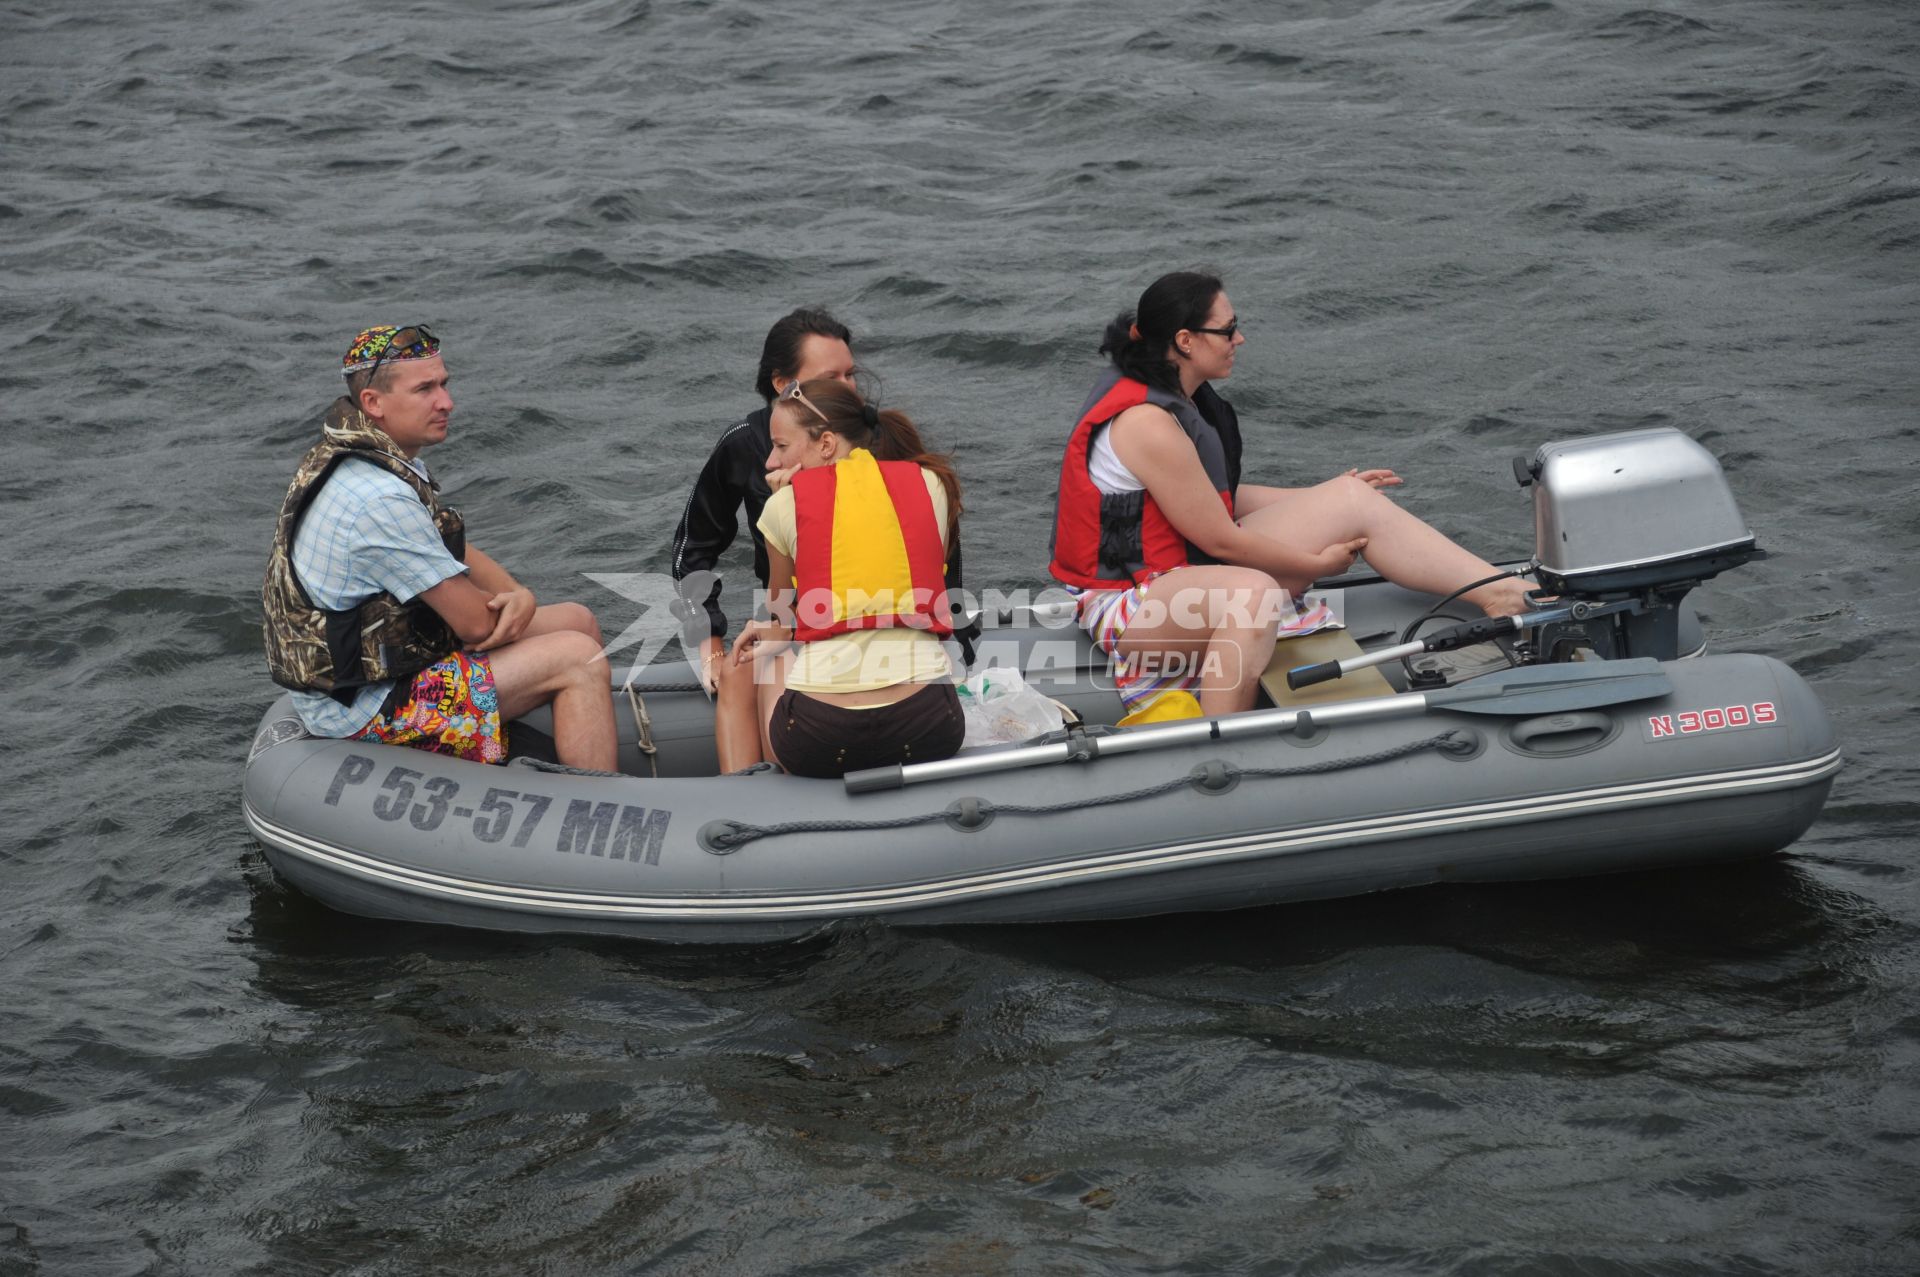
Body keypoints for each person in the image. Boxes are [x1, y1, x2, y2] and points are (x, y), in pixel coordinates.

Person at [1049, 271, 1535, 716]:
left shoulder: (1174, 395)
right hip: (1128, 604)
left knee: (1350, 498)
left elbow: (1209, 501)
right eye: (1228, 329)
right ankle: (1214, 745)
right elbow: (1222, 541)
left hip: (1178, 568)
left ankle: (1504, 595)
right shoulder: (1148, 423)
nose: (1239, 338)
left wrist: (1323, 494)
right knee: (1254, 595)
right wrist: (1318, 567)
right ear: (1185, 340)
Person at [262, 324, 618, 770]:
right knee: (578, 656)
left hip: (376, 672)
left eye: (444, 384)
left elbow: (446, 546)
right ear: (374, 403)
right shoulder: (380, 498)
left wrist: (519, 594)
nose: (446, 401)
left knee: (579, 621)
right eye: (425, 389)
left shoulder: (361, 457)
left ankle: (563, 740)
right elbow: (473, 625)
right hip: (364, 708)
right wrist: (517, 606)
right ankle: (596, 809)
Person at [669, 307, 977, 770]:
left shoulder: (879, 446)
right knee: (736, 673)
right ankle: (741, 802)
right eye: (831, 378)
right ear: (783, 385)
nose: (848, 390)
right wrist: (709, 642)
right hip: (797, 609)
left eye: (850, 375)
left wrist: (952, 633)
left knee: (770, 663)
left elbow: (939, 556)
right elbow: (693, 551)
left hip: (875, 617)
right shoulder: (744, 446)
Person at [723, 380, 965, 778]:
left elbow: (783, 618)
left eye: (781, 446)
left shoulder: (785, 504)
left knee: (771, 658)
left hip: (821, 737)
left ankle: (763, 800)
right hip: (930, 724)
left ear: (826, 444)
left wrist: (780, 509)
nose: (770, 461)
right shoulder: (932, 483)